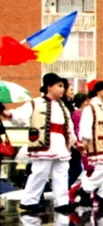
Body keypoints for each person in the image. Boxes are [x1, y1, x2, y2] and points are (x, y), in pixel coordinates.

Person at [5, 73, 76, 214]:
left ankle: (62, 202)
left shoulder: (63, 107)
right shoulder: (35, 103)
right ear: (49, 87)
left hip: (61, 145)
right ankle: (29, 201)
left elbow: (69, 127)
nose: (63, 89)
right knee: (40, 172)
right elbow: (20, 116)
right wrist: (9, 114)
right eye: (60, 86)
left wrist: (75, 142)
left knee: (61, 174)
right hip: (44, 144)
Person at [75, 80, 103, 210]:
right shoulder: (91, 106)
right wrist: (85, 141)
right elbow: (85, 124)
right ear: (99, 91)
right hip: (97, 144)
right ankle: (85, 189)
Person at [69, 93, 88, 187]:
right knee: (81, 169)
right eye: (86, 101)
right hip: (79, 143)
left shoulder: (76, 113)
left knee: (77, 169)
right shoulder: (79, 114)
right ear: (83, 102)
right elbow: (78, 129)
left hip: (78, 143)